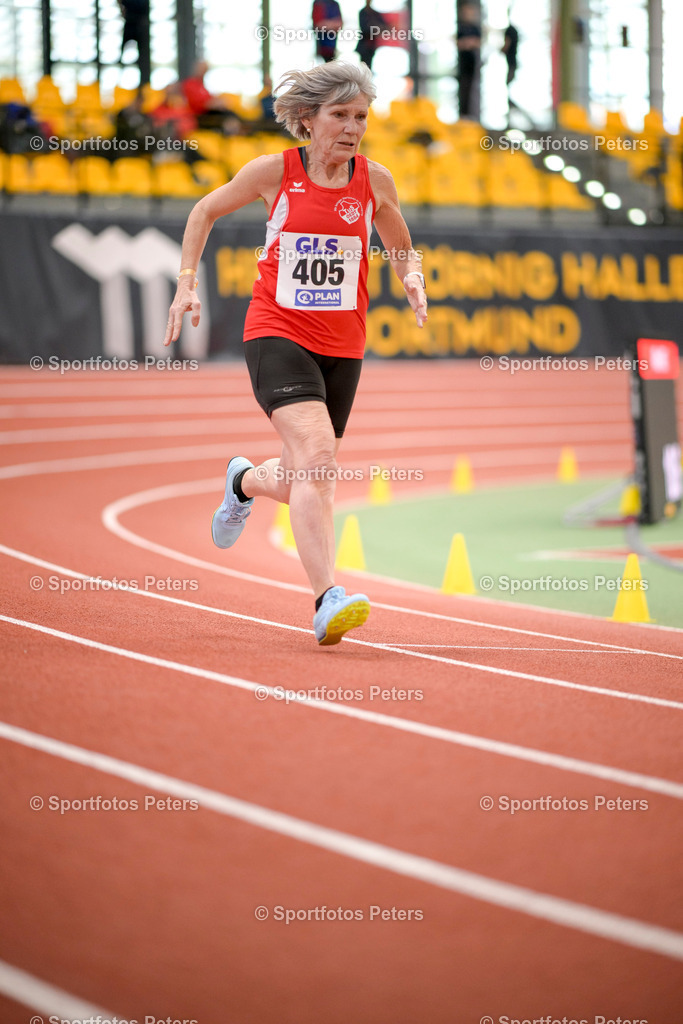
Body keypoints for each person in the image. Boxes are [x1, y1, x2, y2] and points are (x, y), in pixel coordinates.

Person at [164, 61, 427, 646]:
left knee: (313, 471)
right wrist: (186, 280)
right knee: (316, 453)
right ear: (307, 120)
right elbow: (203, 211)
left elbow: (402, 244)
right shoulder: (273, 173)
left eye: (361, 117)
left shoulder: (374, 181)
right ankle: (327, 597)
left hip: (344, 342)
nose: (353, 127)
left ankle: (244, 483)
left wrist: (413, 277)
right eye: (340, 115)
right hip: (277, 330)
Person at [456, 2, 482, 119]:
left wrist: (468, 43)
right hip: (462, 63)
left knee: (473, 89)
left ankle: (471, 115)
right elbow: (459, 43)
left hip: (472, 63)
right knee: (463, 90)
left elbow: (477, 43)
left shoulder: (475, 28)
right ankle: (463, 114)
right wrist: (468, 43)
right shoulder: (461, 28)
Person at [118, 0, 151, 85]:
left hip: (141, 24)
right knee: (123, 55)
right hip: (131, 22)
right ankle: (120, 80)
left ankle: (143, 85)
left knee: (143, 59)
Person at [356, 0, 389, 70]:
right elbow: (365, 28)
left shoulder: (375, 13)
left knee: (368, 67)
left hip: (371, 45)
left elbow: (385, 27)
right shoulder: (363, 12)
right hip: (364, 45)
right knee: (363, 67)